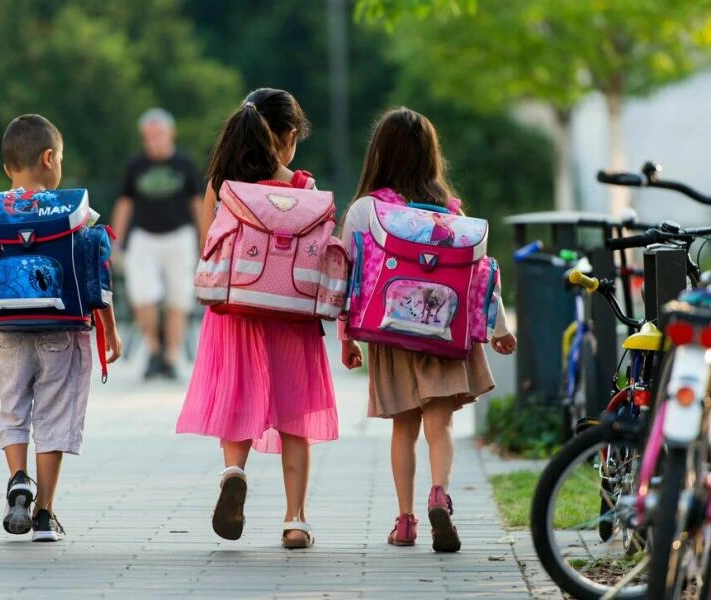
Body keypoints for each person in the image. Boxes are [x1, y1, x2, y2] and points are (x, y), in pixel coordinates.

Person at [338, 107, 517, 552]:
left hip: (390, 331)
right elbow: (479, 279)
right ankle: (440, 491)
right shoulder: (451, 214)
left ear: (378, 154)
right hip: (443, 332)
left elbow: (347, 275)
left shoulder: (366, 211)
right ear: (430, 157)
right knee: (441, 427)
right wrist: (500, 327)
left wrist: (346, 336)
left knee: (403, 429)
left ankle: (405, 521)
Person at [176, 88, 338, 549]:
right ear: (287, 136)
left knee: (237, 400)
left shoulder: (222, 186)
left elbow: (211, 245)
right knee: (295, 417)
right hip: (292, 316)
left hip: (234, 312)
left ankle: (234, 472)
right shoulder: (304, 188)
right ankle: (295, 520)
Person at [0, 114, 122, 542]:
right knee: (54, 417)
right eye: (59, 157)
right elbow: (96, 279)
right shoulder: (72, 212)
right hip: (62, 332)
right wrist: (111, 333)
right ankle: (45, 514)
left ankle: (18, 479)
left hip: (7, 332)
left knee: (14, 411)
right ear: (50, 158)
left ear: (7, 168)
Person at [112, 108, 204, 380]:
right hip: (144, 237)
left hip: (179, 236)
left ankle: (172, 355)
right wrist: (117, 243)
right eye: (149, 136)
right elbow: (124, 203)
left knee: (179, 297)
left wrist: (205, 239)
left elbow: (197, 204)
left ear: (170, 133)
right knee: (143, 296)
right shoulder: (135, 166)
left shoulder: (184, 164)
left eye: (158, 134)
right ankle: (153, 348)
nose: (153, 140)